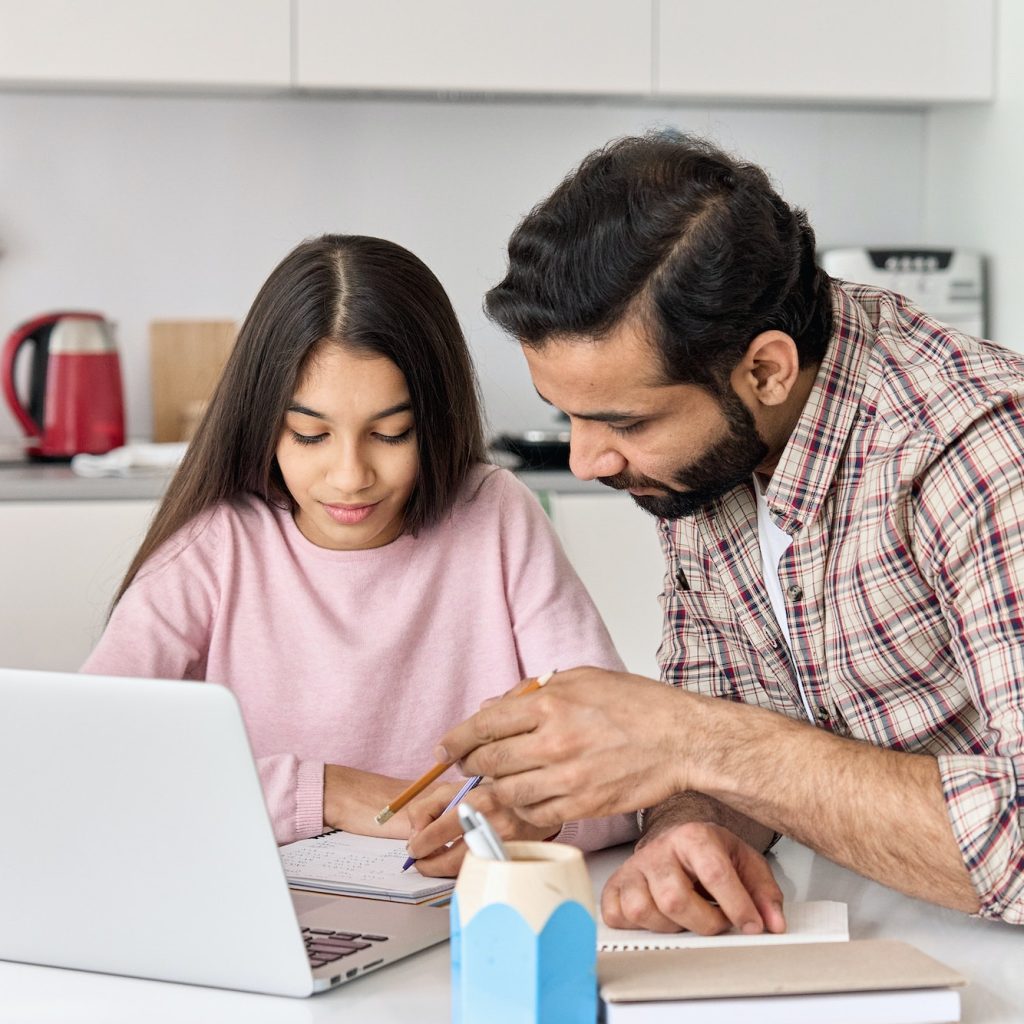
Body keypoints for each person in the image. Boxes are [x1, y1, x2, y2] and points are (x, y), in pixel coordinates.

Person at [406, 132, 1024, 930]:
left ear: (765, 370)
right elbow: (736, 730)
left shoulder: (978, 452)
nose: (588, 458)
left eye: (620, 420)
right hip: (850, 935)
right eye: (570, 415)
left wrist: (687, 741)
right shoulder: (706, 461)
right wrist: (687, 830)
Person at [82, 233, 636, 868]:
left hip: (464, 906)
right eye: (310, 434)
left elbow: (623, 768)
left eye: (390, 433)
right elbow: (90, 760)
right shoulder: (218, 545)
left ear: (435, 421)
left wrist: (532, 824)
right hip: (273, 915)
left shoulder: (495, 514)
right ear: (264, 423)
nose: (350, 476)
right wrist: (323, 792)